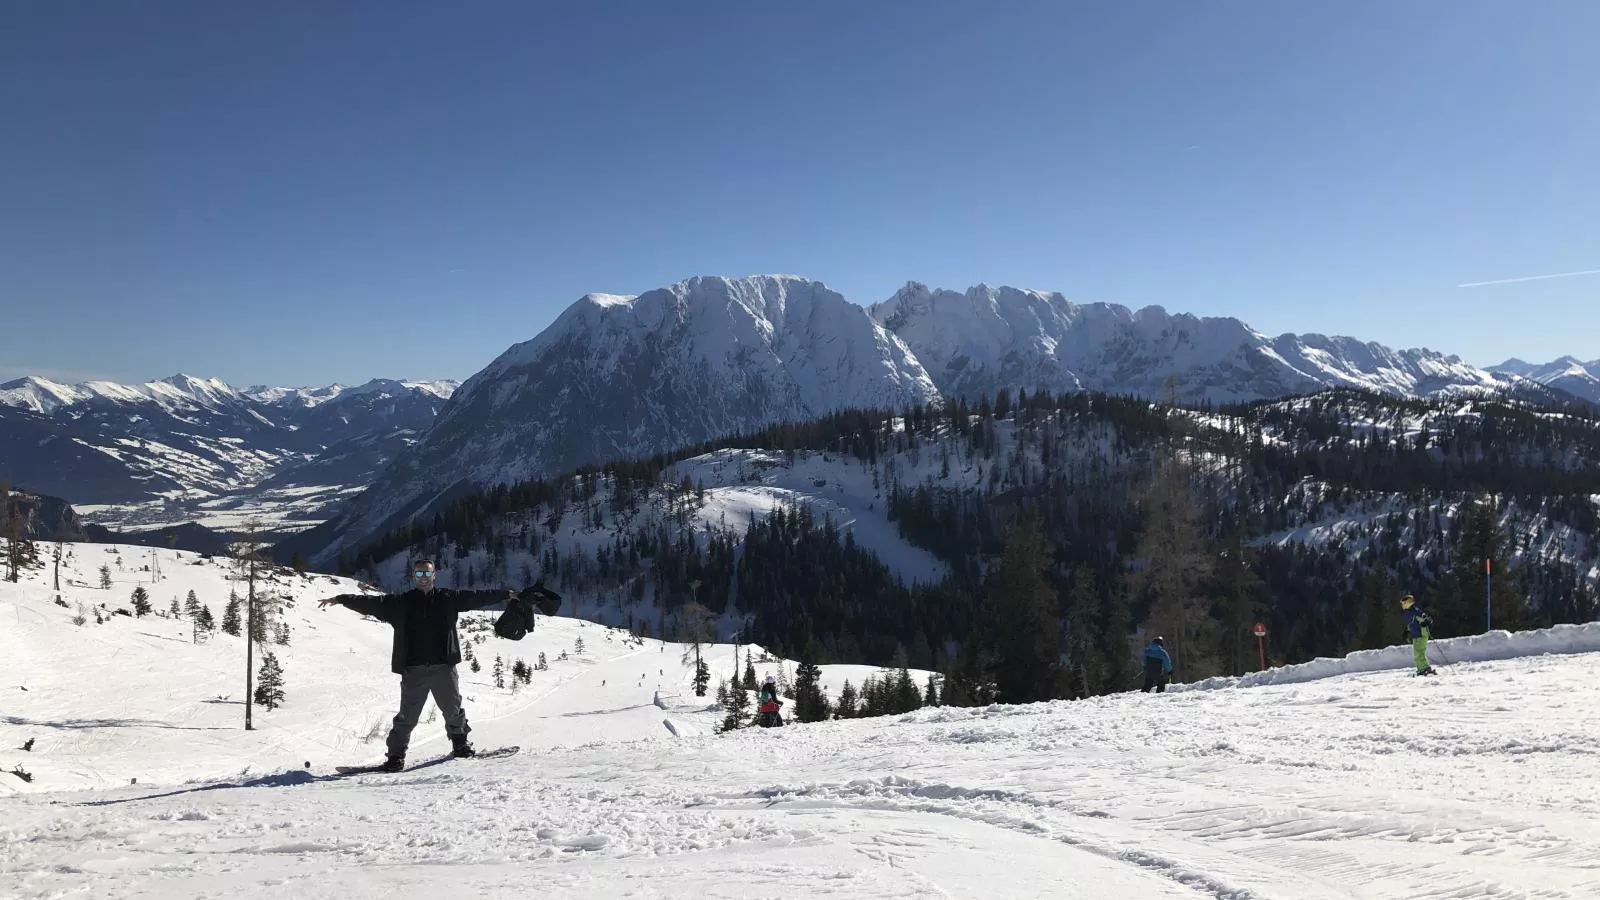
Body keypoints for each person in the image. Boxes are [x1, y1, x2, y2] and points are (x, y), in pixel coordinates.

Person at [320, 558, 537, 771]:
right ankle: (395, 757)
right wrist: (341, 599)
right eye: (419, 573)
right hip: (413, 670)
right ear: (413, 576)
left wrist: (507, 594)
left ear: (434, 575)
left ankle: (460, 746)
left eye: (427, 573)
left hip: (444, 667)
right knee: (407, 717)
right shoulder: (400, 603)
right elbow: (370, 603)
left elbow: (477, 597)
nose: (423, 577)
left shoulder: (448, 598)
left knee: (453, 710)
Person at [1401, 594, 1435, 676]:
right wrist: (1407, 631)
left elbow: (1426, 618)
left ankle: (1424, 669)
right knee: (1418, 652)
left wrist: (1426, 622)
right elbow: (1411, 623)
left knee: (1419, 652)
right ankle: (1422, 668)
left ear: (1408, 603)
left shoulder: (1415, 611)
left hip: (1421, 634)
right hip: (1416, 634)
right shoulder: (1408, 612)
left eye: (1403, 603)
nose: (1402, 605)